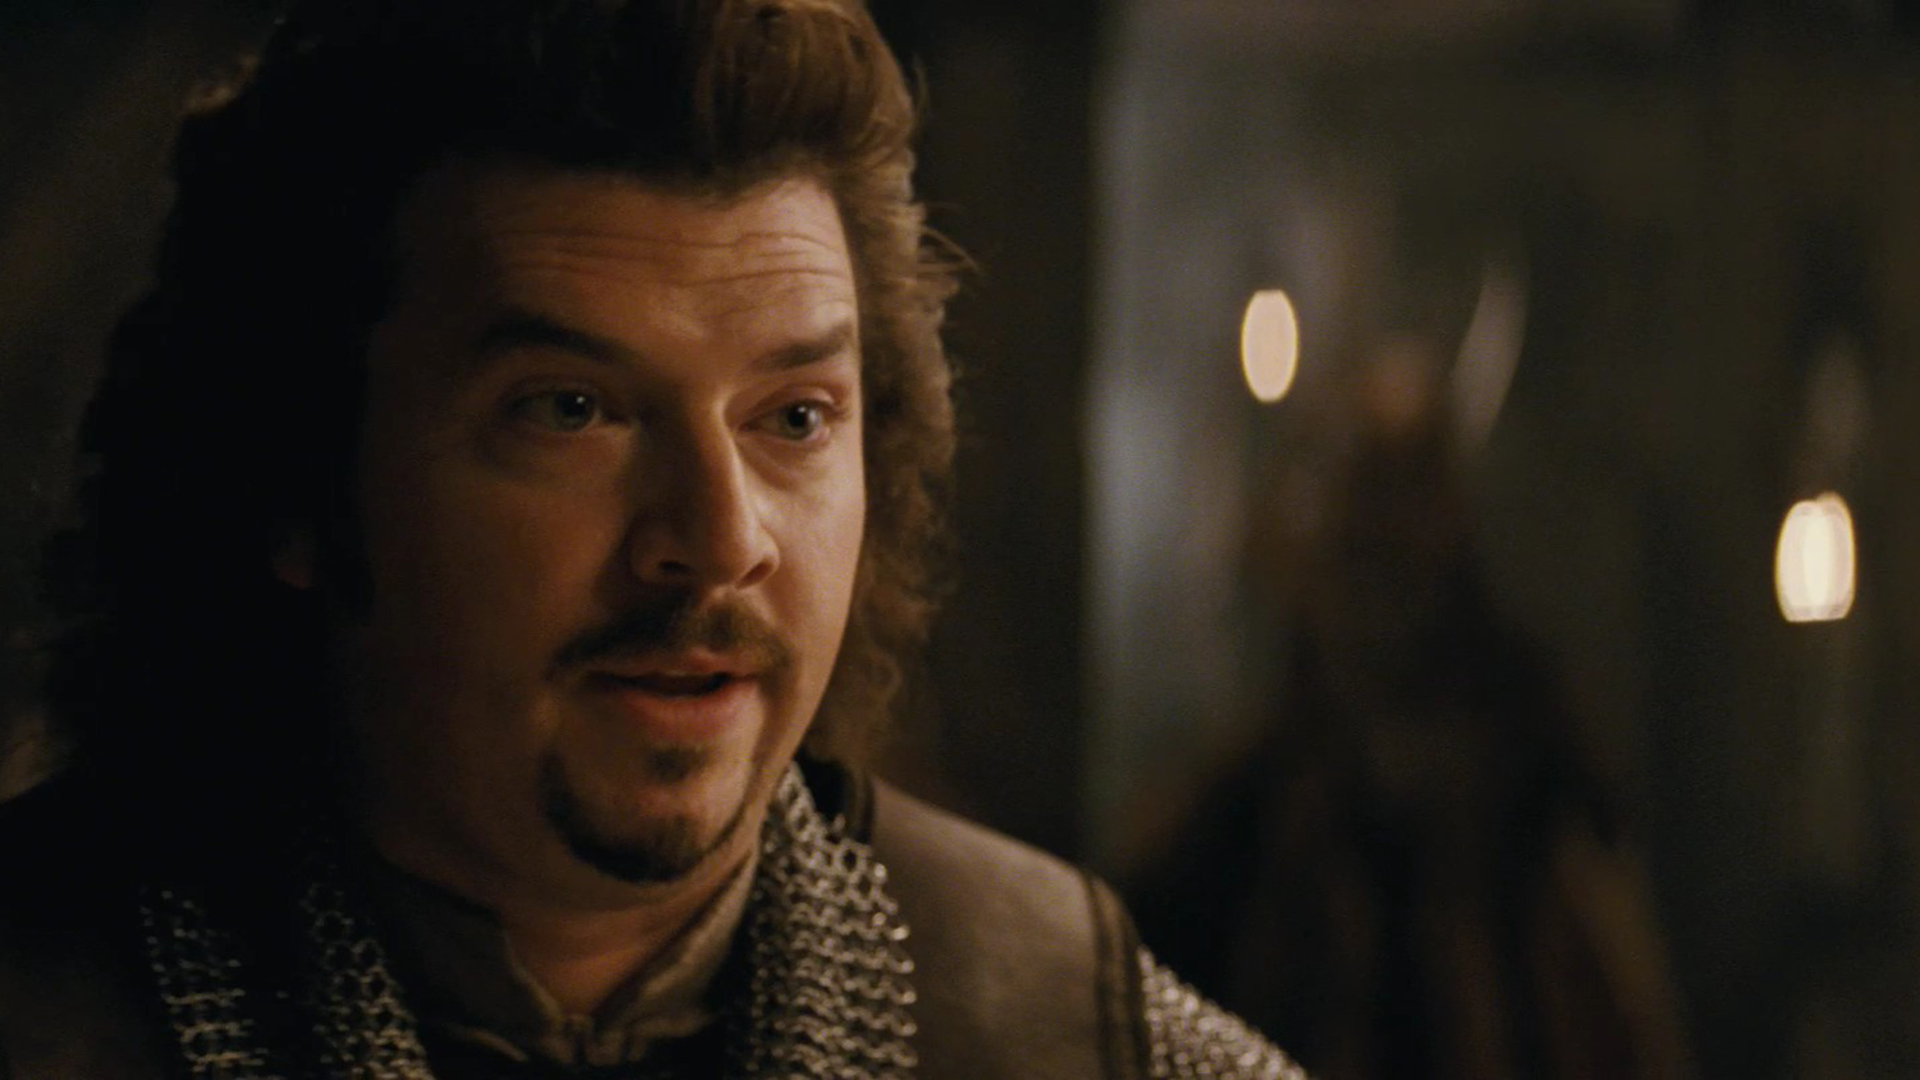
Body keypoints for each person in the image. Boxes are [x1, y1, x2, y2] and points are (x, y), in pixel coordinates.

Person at [0, 1, 1304, 1077]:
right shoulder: (52, 1003)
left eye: (794, 417)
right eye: (570, 411)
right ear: (298, 475)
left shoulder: (1058, 1024)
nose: (721, 540)